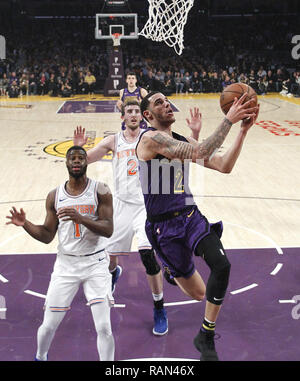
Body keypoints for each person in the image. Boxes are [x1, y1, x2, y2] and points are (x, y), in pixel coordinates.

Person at [136, 91, 259, 361]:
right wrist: (228, 120)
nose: (166, 104)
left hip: (190, 217)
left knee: (222, 265)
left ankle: (205, 334)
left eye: (167, 100)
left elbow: (224, 166)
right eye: (158, 102)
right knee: (198, 293)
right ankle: (171, 270)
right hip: (162, 228)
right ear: (148, 115)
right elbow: (202, 150)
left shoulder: (181, 140)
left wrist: (243, 132)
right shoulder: (150, 139)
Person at [73, 99, 202, 336]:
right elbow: (85, 160)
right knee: (110, 258)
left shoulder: (151, 138)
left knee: (148, 257)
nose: (132, 115)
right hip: (120, 206)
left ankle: (159, 307)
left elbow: (187, 151)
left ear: (141, 116)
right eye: (128, 112)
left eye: (135, 111)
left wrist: (194, 132)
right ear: (122, 116)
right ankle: (114, 274)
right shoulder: (113, 140)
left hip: (146, 206)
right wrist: (78, 149)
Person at [6, 146, 115, 361]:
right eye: (72, 158)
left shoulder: (101, 190)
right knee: (48, 326)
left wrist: (80, 218)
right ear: (66, 163)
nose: (76, 161)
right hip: (66, 265)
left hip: (96, 263)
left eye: (80, 158)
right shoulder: (55, 196)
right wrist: (25, 223)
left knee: (104, 327)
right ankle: (41, 356)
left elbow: (108, 229)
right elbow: (47, 235)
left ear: (86, 162)